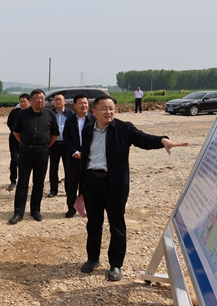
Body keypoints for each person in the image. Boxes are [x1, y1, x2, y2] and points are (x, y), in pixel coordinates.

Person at [79, 94, 187, 281]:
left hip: (114, 184)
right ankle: (92, 258)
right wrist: (81, 187)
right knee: (94, 223)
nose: (108, 112)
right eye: (104, 108)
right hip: (92, 182)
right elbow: (84, 159)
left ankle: (115, 265)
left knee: (117, 225)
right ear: (94, 111)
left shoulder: (124, 128)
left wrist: (162, 140)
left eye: (111, 108)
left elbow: (143, 139)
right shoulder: (88, 129)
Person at [9, 89, 59, 224]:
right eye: (37, 98)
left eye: (42, 98)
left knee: (39, 183)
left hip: (42, 152)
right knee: (22, 183)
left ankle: (35, 210)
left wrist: (46, 145)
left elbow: (55, 133)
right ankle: (18, 212)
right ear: (31, 100)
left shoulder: (50, 115)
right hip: (26, 152)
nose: (40, 100)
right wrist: (24, 143)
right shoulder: (23, 114)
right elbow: (16, 132)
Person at [62, 93, 95, 218]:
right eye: (80, 103)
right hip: (73, 157)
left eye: (85, 103)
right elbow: (66, 137)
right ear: (75, 105)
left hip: (89, 158)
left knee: (87, 184)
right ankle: (71, 208)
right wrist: (74, 152)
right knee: (71, 184)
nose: (83, 105)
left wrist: (88, 152)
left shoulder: (94, 119)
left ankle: (87, 207)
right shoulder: (70, 121)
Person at [47, 93, 75, 199]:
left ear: (64, 101)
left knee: (68, 168)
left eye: (60, 99)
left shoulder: (71, 114)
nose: (58, 101)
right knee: (53, 168)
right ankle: (53, 190)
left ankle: (69, 190)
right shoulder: (50, 114)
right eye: (56, 100)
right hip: (54, 145)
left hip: (67, 145)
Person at [6, 93, 30, 191]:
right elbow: (9, 123)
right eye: (21, 102)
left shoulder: (31, 113)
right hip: (14, 139)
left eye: (24, 101)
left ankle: (23, 180)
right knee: (14, 159)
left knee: (24, 160)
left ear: (29, 101)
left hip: (26, 140)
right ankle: (13, 180)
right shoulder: (14, 112)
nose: (22, 104)